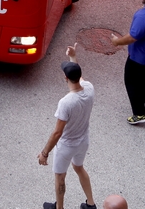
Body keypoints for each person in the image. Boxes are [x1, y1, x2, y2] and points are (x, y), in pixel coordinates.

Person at [37, 43, 96, 209]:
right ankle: (90, 204)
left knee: (60, 177)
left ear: (65, 78)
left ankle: (59, 208)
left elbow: (57, 133)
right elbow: (80, 76)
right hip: (83, 141)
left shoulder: (66, 102)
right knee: (79, 167)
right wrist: (73, 56)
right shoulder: (89, 88)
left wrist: (44, 153)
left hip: (67, 145)